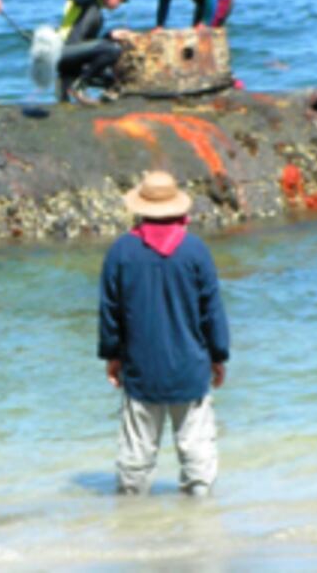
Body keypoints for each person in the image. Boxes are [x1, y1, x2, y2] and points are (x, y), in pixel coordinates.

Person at [97, 170, 231, 496]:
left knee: (135, 459)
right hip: (190, 367)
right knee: (197, 454)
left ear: (140, 209)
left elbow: (110, 313)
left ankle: (131, 526)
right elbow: (211, 311)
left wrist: (112, 355)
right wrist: (218, 355)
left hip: (140, 370)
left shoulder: (120, 252)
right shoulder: (195, 251)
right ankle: (200, 529)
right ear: (179, 209)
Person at [56, 0, 130, 106]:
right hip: (62, 51)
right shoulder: (85, 0)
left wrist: (109, 35)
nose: (120, 3)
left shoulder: (97, 12)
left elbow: (89, 46)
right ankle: (80, 86)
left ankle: (76, 87)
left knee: (112, 76)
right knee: (113, 50)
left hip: (73, 58)